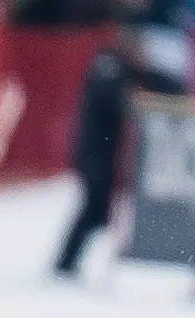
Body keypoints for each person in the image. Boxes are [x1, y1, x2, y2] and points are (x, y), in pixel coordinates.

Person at [53, 28, 183, 279]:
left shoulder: (123, 69)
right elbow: (118, 101)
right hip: (95, 153)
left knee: (96, 210)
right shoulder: (107, 67)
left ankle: (67, 261)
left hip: (106, 154)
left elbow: (163, 85)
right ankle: (65, 261)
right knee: (93, 208)